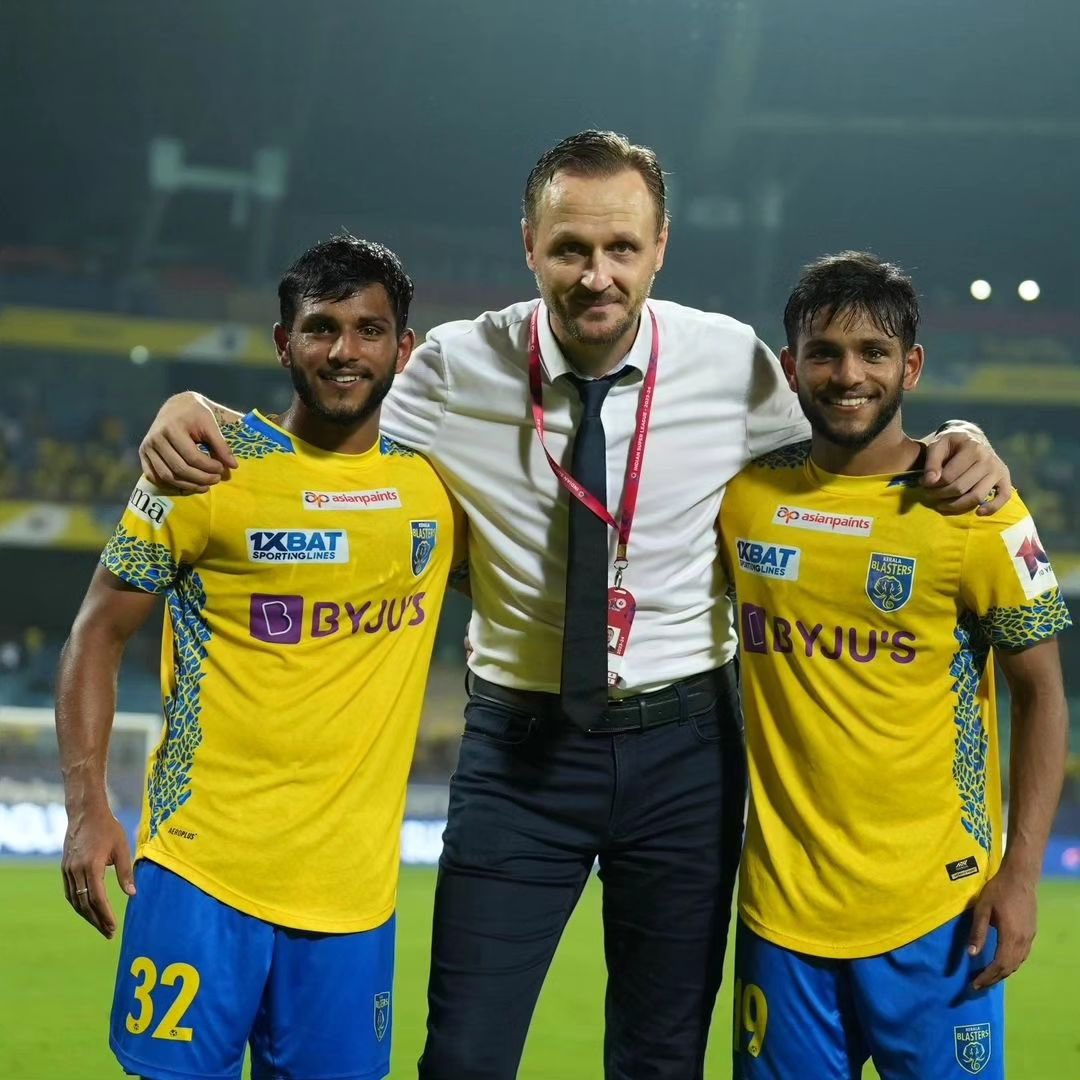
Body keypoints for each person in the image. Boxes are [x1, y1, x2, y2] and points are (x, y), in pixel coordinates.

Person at [136, 132, 1012, 1080]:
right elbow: (327, 420)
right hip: (519, 756)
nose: (598, 275)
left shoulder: (736, 365)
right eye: (570, 249)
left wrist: (962, 439)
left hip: (686, 757)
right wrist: (197, 406)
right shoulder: (453, 369)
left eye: (622, 248)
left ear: (660, 247)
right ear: (529, 244)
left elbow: (862, 422)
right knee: (465, 1055)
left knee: (660, 1057)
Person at [56, 235, 465, 1080]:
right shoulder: (204, 469)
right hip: (202, 871)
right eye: (320, 329)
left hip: (354, 898)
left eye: (369, 330)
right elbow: (98, 629)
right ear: (284, 344)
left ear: (405, 350)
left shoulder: (438, 490)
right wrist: (88, 807)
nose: (344, 351)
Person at [720, 252, 1070, 1080]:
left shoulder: (979, 510)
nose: (849, 374)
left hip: (941, 914)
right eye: (826, 352)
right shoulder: (742, 500)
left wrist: (1021, 878)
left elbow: (1044, 697)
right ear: (789, 368)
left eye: (874, 353)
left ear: (911, 366)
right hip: (782, 917)